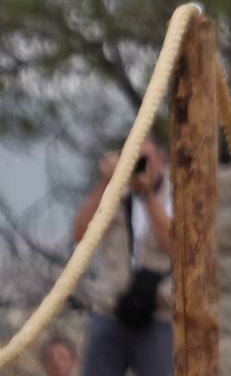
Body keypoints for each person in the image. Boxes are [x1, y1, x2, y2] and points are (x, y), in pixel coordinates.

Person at [69, 139, 172, 376]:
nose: (140, 165)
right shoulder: (114, 194)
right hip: (110, 308)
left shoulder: (178, 193)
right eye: (134, 159)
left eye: (145, 159)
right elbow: (81, 234)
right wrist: (106, 182)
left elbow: (174, 245)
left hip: (159, 312)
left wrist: (146, 195)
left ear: (161, 160)